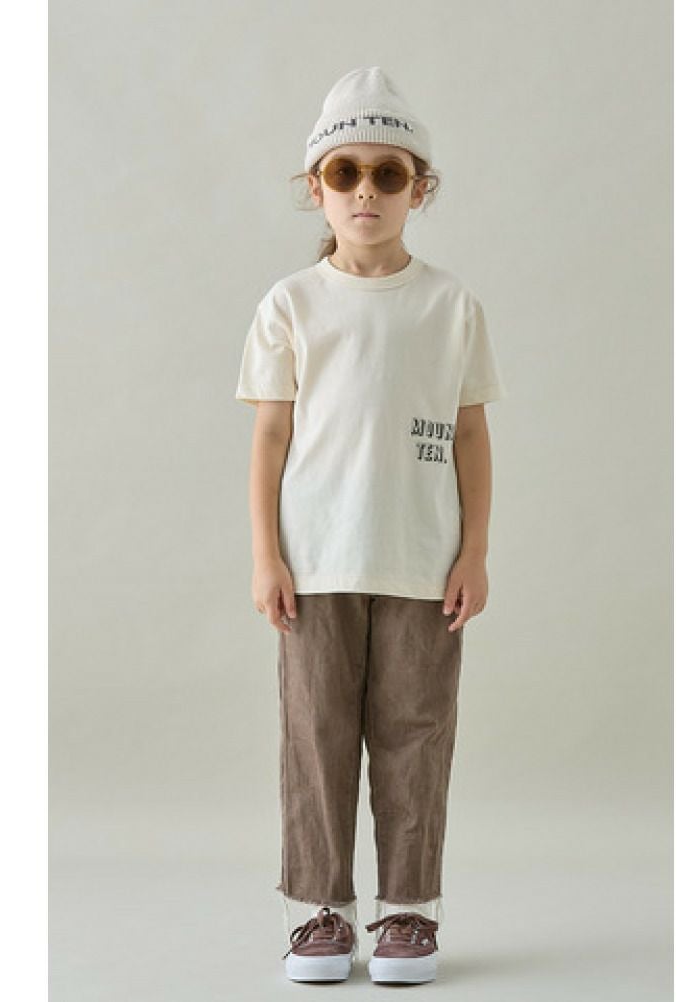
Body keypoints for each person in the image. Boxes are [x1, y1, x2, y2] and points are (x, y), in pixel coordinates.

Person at [234, 66, 507, 985]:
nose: (365, 191)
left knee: (415, 734)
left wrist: (474, 550)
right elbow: (271, 437)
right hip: (315, 561)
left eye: (388, 174)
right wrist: (267, 555)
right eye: (344, 172)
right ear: (316, 186)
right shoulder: (291, 304)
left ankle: (408, 911)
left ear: (418, 188)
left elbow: (470, 433)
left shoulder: (449, 305)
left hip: (421, 562)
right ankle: (318, 911)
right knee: (314, 737)